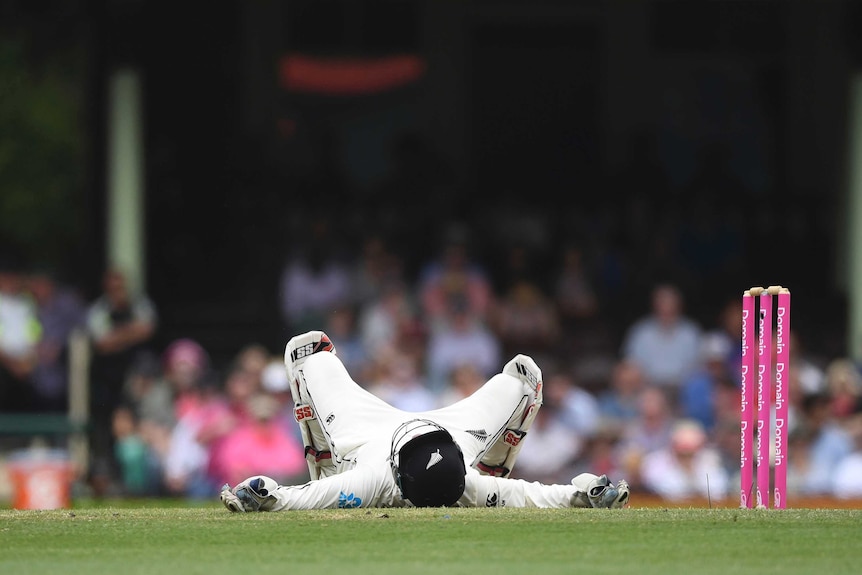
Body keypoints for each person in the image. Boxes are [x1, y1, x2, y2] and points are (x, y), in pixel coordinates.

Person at [220, 331, 629, 512]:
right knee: (311, 354)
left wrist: (262, 493)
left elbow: (297, 498)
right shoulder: (448, 484)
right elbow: (537, 495)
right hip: (372, 436)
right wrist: (586, 493)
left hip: (431, 431)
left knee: (310, 355)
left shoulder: (453, 483)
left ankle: (329, 463)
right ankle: (328, 463)